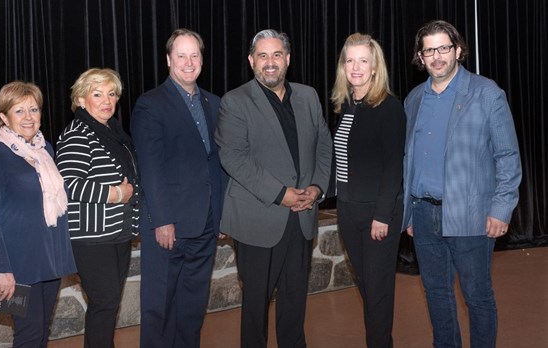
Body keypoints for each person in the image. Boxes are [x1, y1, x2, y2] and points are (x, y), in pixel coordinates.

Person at [403, 20, 522, 348]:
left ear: (458, 50)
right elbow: (409, 162)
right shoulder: (414, 100)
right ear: (421, 57)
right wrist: (409, 215)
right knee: (437, 296)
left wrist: (501, 209)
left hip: (471, 214)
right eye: (429, 50)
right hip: (423, 216)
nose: (437, 56)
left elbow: (508, 157)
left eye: (444, 48)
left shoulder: (486, 93)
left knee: (477, 297)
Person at [215, 29, 332, 347]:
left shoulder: (308, 96)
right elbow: (234, 158)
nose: (270, 62)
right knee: (255, 306)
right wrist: (281, 194)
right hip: (258, 219)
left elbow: (324, 146)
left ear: (288, 60)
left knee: (295, 301)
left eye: (277, 55)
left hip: (302, 218)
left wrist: (317, 187)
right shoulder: (235, 101)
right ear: (252, 61)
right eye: (263, 56)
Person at [131, 29, 225, 347]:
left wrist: (222, 215)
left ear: (202, 60)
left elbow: (218, 164)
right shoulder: (150, 104)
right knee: (160, 310)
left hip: (205, 223)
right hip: (168, 226)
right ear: (169, 60)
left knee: (192, 309)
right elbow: (151, 168)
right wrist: (162, 219)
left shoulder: (215, 103)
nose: (188, 62)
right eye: (181, 56)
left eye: (194, 55)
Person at [0, 81, 77, 347]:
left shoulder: (46, 151)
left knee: (42, 331)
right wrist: (2, 270)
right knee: (27, 335)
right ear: (3, 117)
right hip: (16, 269)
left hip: (48, 264)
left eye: (33, 109)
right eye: (19, 111)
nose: (29, 117)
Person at [55, 68, 141, 347]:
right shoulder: (78, 134)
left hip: (117, 232)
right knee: (105, 302)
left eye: (112, 94)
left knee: (108, 304)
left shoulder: (113, 132)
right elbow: (68, 185)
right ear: (81, 100)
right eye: (97, 94)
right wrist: (116, 193)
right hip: (92, 238)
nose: (107, 100)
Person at [330, 33, 406, 348]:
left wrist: (382, 215)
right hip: (348, 211)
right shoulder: (344, 105)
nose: (356, 67)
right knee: (366, 287)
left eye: (364, 60)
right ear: (343, 66)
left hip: (378, 214)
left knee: (377, 293)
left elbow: (394, 168)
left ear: (375, 67)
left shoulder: (388, 106)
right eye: (350, 60)